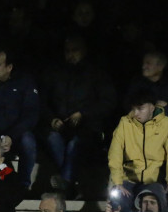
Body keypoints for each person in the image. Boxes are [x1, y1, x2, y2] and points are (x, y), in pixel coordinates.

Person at [41, 35, 116, 194]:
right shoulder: (55, 73)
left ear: (84, 51)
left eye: (75, 50)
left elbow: (108, 102)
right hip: (61, 126)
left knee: (75, 144)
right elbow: (42, 101)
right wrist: (52, 119)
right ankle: (69, 183)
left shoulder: (96, 73)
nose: (71, 54)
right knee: (52, 138)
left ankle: (66, 183)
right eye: (67, 51)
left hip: (88, 128)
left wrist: (83, 114)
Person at [108, 89, 168, 212]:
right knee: (118, 204)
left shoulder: (167, 124)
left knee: (161, 205)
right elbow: (115, 153)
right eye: (134, 109)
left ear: (152, 107)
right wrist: (118, 182)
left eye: (140, 109)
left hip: (154, 181)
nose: (136, 113)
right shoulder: (125, 123)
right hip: (128, 179)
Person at [0, 48, 40, 189]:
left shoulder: (24, 82)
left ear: (9, 67)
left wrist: (11, 136)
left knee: (28, 141)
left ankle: (23, 186)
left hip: (16, 134)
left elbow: (31, 114)